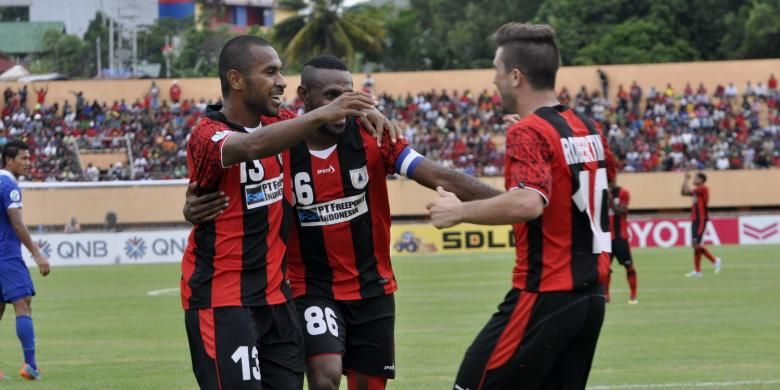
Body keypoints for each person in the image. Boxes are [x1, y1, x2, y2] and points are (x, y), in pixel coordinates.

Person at [184, 55, 501, 390]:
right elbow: (238, 128)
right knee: (325, 375)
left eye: (349, 94)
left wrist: (505, 202)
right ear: (304, 96)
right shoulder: (282, 139)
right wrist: (191, 205)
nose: (344, 103)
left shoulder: (375, 137)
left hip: (372, 286)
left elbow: (437, 174)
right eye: (331, 95)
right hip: (310, 287)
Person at [180, 35, 389, 390]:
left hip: (278, 299)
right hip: (222, 297)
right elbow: (251, 145)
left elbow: (324, 122)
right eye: (271, 72)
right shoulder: (207, 135)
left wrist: (366, 110)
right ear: (236, 79)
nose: (281, 81)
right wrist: (326, 111)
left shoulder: (287, 122)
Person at [427, 22, 616, 390]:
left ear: (515, 76)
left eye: (496, 70)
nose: (492, 80)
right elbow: (583, 187)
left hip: (545, 295)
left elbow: (529, 203)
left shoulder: (527, 132)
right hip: (591, 300)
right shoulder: (586, 126)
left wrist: (459, 212)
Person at [0, 140, 51, 381]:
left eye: (29, 158)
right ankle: (30, 366)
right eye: (23, 158)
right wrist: (37, 252)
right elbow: (17, 223)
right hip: (6, 255)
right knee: (23, 304)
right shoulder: (8, 184)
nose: (28, 163)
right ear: (8, 160)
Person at [681, 172, 721, 277]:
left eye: (696, 178)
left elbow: (687, 190)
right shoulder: (697, 191)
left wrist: (686, 179)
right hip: (695, 219)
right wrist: (685, 180)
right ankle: (698, 271)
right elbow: (683, 192)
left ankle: (715, 260)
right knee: (695, 246)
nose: (694, 179)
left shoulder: (703, 188)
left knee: (696, 244)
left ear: (701, 180)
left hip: (701, 219)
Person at [606, 180, 638, 304]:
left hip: (620, 237)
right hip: (605, 238)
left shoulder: (623, 192)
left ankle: (633, 295)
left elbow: (623, 212)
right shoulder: (598, 192)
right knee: (605, 269)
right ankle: (606, 296)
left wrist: (610, 200)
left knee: (629, 266)